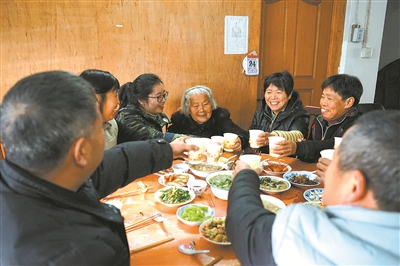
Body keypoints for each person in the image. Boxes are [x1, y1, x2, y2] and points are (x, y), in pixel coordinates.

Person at [0, 71, 197, 265]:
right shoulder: (84, 252)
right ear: (81, 151)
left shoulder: (41, 174)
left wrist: (168, 150)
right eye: (99, 129)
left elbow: (107, 168)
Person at [226, 110, 400, 265]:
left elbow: (245, 228)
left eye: (334, 162)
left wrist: (244, 176)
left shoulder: (304, 232)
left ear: (353, 187)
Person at [271, 74, 363, 162]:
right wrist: (302, 148)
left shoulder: (358, 126)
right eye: (323, 97)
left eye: (329, 99)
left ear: (348, 102)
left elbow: (335, 145)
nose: (323, 103)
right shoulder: (319, 121)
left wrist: (299, 147)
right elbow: (313, 154)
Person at [168, 85, 249, 152]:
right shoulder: (179, 119)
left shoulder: (220, 116)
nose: (201, 110)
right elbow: (169, 142)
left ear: (212, 104)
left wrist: (240, 141)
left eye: (205, 104)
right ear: (188, 108)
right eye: (196, 106)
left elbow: (242, 135)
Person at [80, 69, 144, 149]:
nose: (118, 102)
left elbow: (141, 141)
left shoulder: (112, 124)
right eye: (115, 95)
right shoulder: (72, 133)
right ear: (96, 98)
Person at [248, 71, 309, 153]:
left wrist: (272, 136)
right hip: (262, 160)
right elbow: (250, 135)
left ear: (289, 95)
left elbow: (297, 134)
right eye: (269, 92)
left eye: (278, 92)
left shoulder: (300, 114)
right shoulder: (260, 113)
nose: (273, 97)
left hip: (287, 161)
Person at [116, 73, 184, 142]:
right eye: (158, 97)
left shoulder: (156, 114)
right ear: (141, 100)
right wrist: (186, 139)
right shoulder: (128, 118)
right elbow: (154, 137)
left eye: (164, 95)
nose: (163, 100)